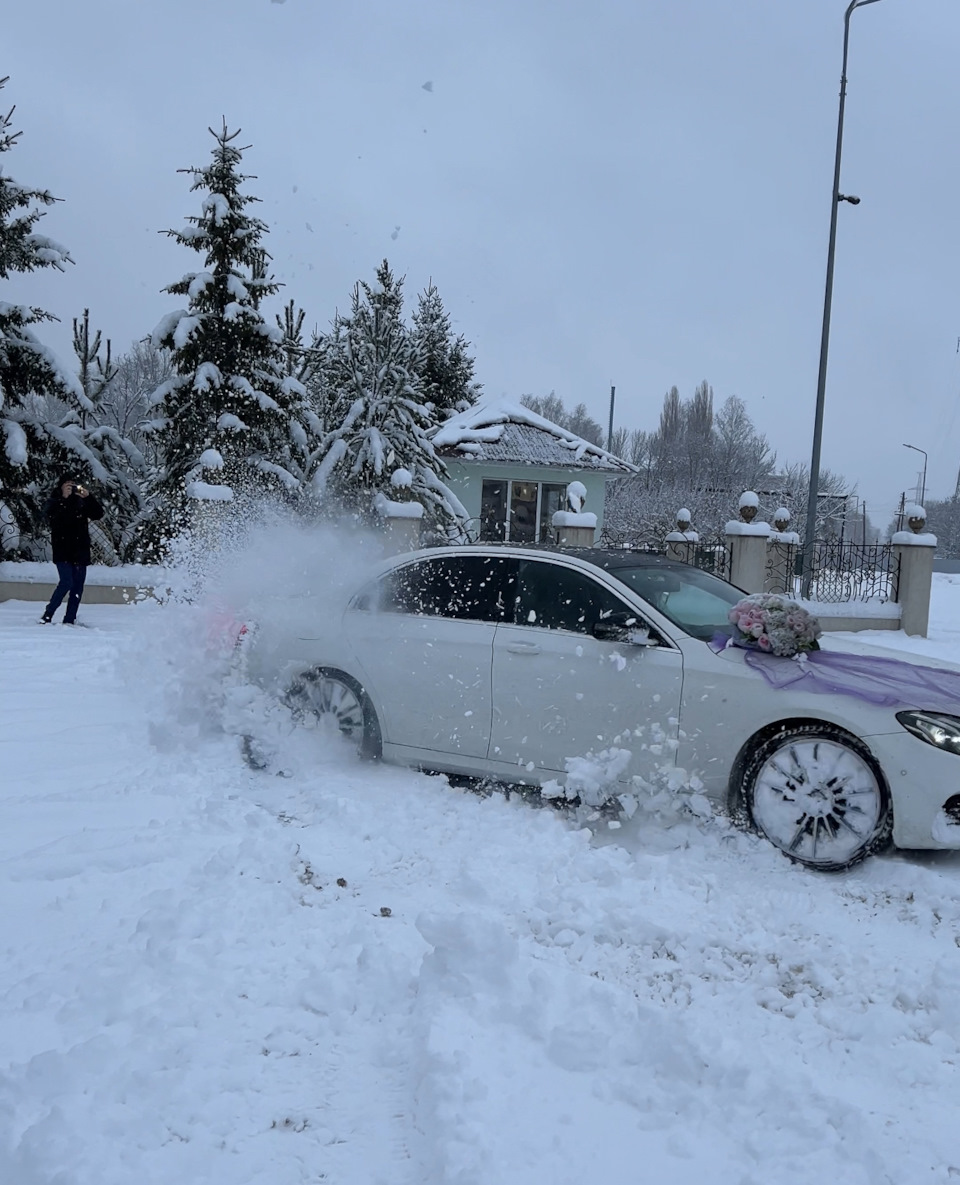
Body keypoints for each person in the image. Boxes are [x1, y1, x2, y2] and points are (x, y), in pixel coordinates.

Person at [40, 476, 104, 625]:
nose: (72, 488)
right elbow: (51, 517)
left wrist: (88, 497)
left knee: (77, 587)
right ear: (61, 486)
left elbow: (98, 514)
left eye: (74, 485)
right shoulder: (55, 502)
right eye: (68, 485)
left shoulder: (81, 502)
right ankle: (48, 614)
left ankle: (70, 619)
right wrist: (63, 498)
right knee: (66, 582)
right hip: (62, 550)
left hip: (80, 550)